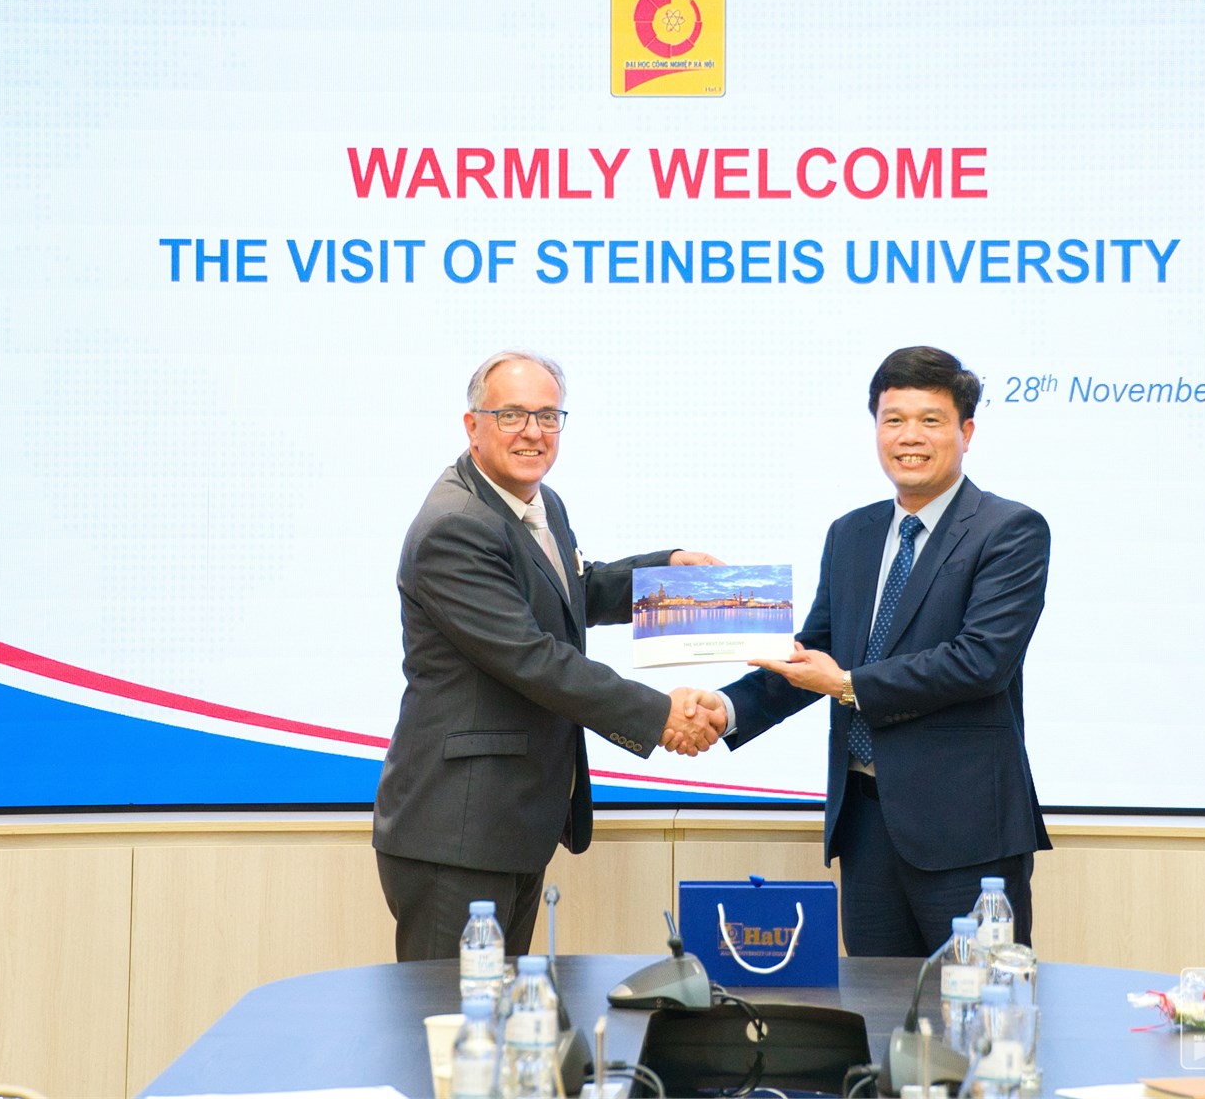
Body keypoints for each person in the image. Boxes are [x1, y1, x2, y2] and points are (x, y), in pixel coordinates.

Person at [698, 345, 1053, 956]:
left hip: (967, 835)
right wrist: (726, 709)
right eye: (893, 420)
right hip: (864, 828)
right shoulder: (851, 533)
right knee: (876, 1008)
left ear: (966, 432)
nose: (909, 437)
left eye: (930, 420)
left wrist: (847, 685)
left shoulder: (1009, 530)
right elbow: (817, 651)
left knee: (976, 1005)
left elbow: (981, 661)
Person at [373, 349, 723, 961]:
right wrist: (659, 714)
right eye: (511, 415)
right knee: (454, 1016)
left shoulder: (539, 502)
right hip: (456, 833)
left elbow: (567, 591)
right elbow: (531, 657)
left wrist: (665, 578)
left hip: (507, 824)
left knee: (501, 1012)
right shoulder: (455, 526)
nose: (533, 432)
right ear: (473, 425)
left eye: (548, 416)